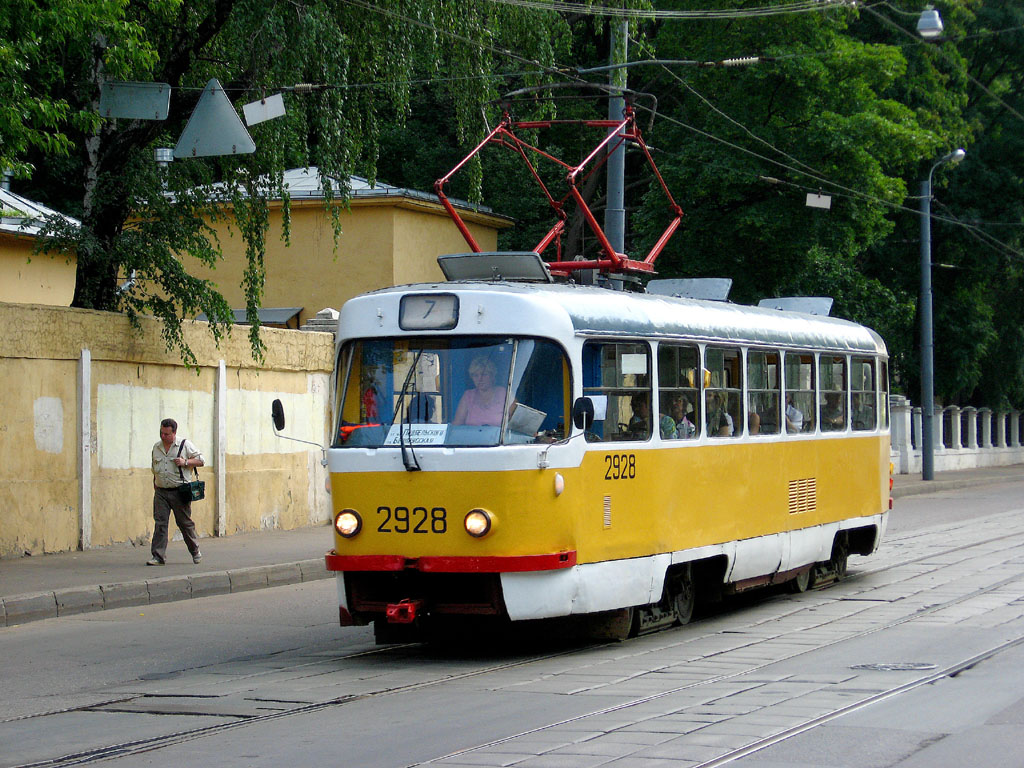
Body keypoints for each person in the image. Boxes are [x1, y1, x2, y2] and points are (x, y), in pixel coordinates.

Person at [149, 418, 204, 566]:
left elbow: (201, 460)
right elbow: (154, 467)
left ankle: (195, 551)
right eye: (161, 433)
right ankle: (158, 556)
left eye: (167, 434)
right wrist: (155, 482)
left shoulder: (185, 445)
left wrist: (185, 462)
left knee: (184, 523)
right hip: (161, 491)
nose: (163, 436)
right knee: (160, 523)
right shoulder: (157, 447)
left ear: (174, 433)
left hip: (180, 491)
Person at [452, 355, 507, 426]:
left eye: (484, 374)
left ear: (492, 375)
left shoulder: (503, 393)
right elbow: (457, 423)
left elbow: (516, 422)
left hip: (498, 437)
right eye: (475, 375)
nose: (480, 379)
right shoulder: (468, 395)